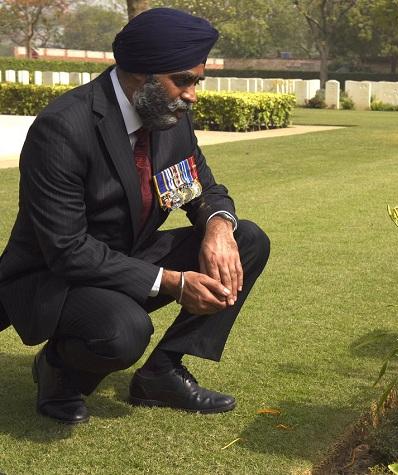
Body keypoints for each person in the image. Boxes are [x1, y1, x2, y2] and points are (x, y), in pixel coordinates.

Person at [0, 8, 270, 424]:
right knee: (123, 332)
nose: (193, 94)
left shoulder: (169, 116)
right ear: (141, 75)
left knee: (247, 239)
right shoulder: (64, 127)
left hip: (130, 253)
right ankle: (58, 371)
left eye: (197, 81)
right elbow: (67, 249)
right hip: (57, 275)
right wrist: (173, 282)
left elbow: (201, 189)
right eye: (183, 80)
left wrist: (217, 226)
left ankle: (161, 374)